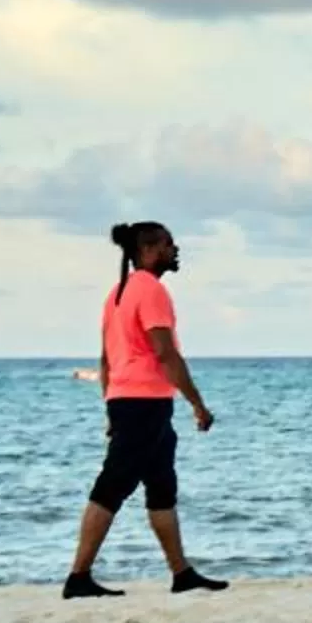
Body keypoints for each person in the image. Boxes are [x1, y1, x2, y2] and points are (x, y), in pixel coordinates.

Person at [64, 221, 225, 599]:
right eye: (170, 244)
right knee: (112, 486)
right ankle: (79, 576)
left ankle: (181, 573)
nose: (175, 250)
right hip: (142, 404)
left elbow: (106, 358)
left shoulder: (117, 293)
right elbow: (165, 353)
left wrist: (110, 406)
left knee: (162, 487)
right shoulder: (150, 290)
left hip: (134, 402)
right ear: (150, 251)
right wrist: (198, 403)